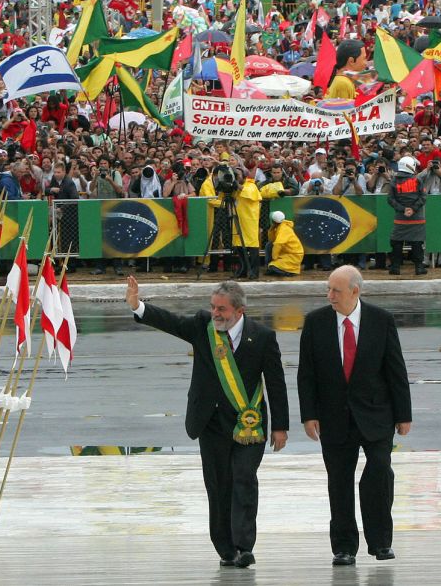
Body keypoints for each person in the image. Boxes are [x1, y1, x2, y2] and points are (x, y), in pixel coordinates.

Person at [124, 277, 288, 568]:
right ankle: (226, 549)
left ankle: (243, 546)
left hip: (249, 426)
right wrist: (138, 305)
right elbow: (171, 322)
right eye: (213, 307)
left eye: (221, 309)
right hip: (211, 424)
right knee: (219, 485)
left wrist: (280, 427)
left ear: (239, 311)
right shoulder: (203, 327)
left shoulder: (262, 336)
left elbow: (276, 383)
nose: (215, 313)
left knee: (244, 479)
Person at [296, 266, 412, 566]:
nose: (330, 296)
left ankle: (381, 542)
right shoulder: (316, 322)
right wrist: (309, 415)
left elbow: (395, 370)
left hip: (376, 415)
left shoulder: (381, 320)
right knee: (340, 481)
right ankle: (344, 547)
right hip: (334, 417)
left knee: (379, 472)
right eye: (328, 290)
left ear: (355, 291)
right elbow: (306, 374)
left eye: (336, 290)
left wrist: (403, 415)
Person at [387, 157, 427, 275]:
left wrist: (403, 209)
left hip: (401, 218)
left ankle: (395, 267)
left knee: (396, 242)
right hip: (417, 217)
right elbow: (423, 197)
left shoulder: (394, 181)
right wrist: (413, 209)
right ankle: (419, 267)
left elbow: (390, 199)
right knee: (417, 242)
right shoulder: (417, 180)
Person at [265, 211, 303, 277]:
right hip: (287, 254)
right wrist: (271, 229)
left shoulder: (284, 229)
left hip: (293, 256)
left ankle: (288, 273)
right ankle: (273, 267)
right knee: (269, 244)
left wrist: (274, 258)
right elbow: (272, 240)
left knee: (272, 267)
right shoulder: (280, 227)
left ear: (274, 221)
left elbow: (278, 244)